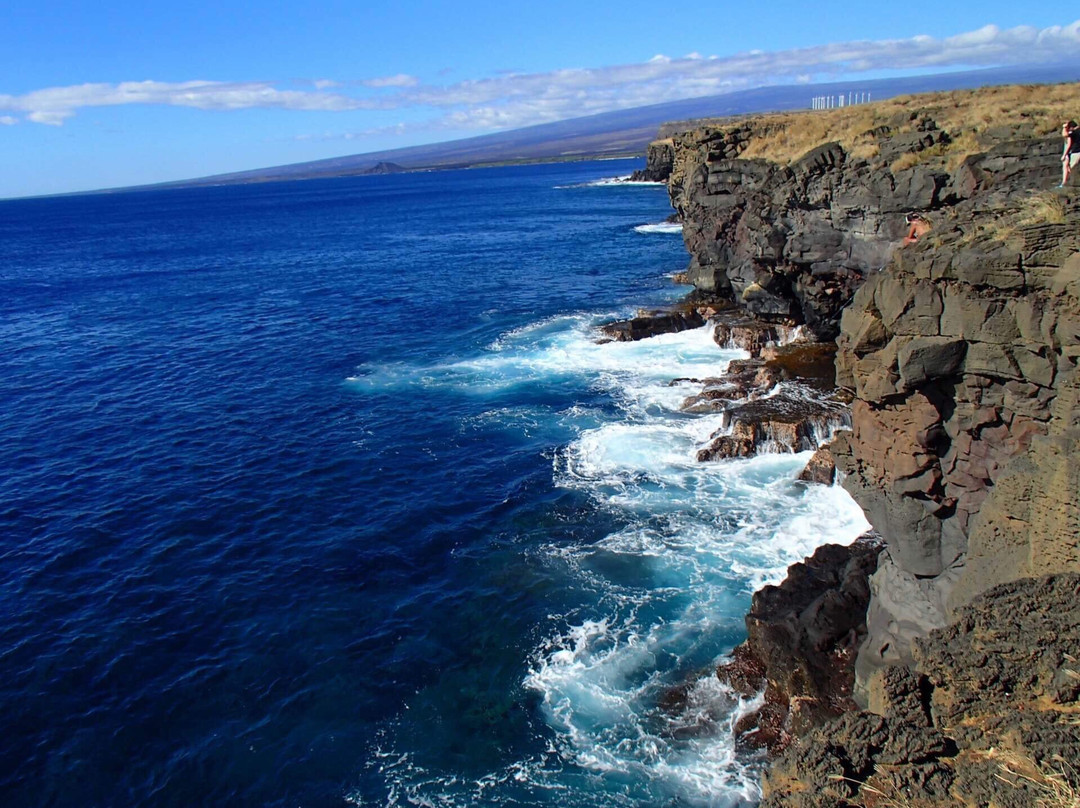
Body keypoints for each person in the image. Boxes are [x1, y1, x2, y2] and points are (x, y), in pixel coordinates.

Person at [1060, 120, 1080, 187]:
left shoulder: (1074, 132)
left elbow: (1064, 135)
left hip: (1076, 152)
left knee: (1073, 168)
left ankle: (1073, 184)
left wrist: (1064, 128)